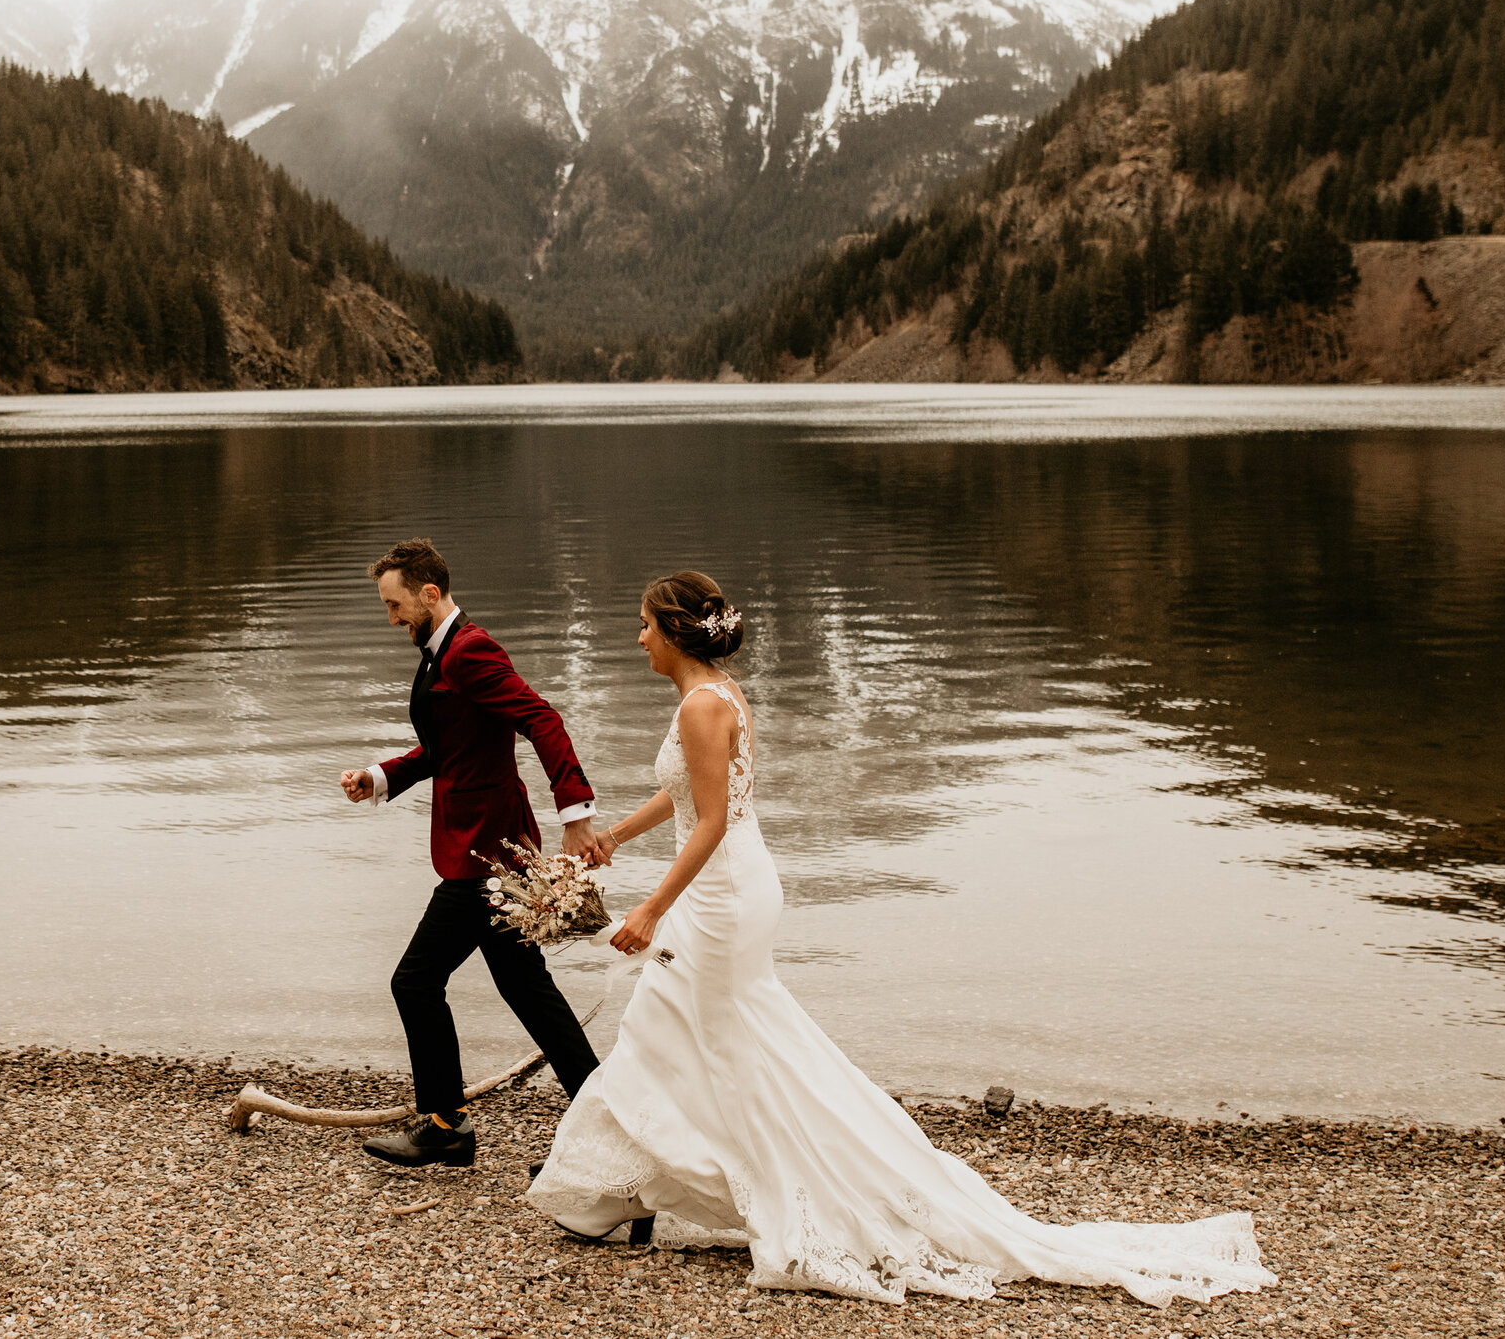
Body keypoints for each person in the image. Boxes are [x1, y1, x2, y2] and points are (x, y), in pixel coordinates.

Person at [523, 572, 1277, 1309]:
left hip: (720, 898)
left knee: (691, 1037)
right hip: (737, 886)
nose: (638, 636)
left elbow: (713, 817)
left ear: (676, 629)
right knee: (694, 1035)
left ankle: (666, 1190)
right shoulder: (716, 693)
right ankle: (629, 1191)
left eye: (646, 623)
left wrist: (652, 907)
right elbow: (691, 793)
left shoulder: (699, 705)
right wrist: (618, 833)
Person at [340, 538, 611, 1169]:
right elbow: (448, 749)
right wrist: (380, 777)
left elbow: (542, 718)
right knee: (527, 989)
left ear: (429, 594)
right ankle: (605, 1113)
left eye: (396, 605)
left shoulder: (470, 651)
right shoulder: (441, 655)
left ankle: (444, 1125)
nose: (392, 620)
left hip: (486, 856)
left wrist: (577, 817)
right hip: (490, 847)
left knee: (414, 981)